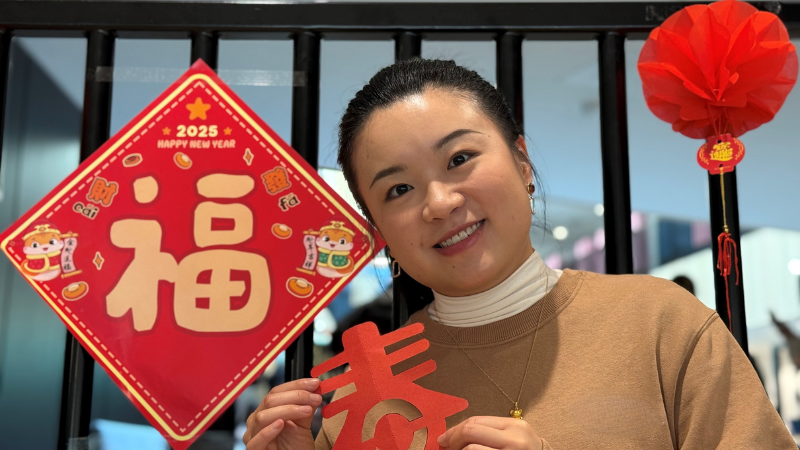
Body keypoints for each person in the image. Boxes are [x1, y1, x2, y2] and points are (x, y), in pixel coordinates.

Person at [242, 58, 795, 450]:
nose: (440, 201)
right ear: (377, 228)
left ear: (522, 162)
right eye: (398, 190)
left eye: (460, 158)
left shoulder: (660, 323)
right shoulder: (363, 397)